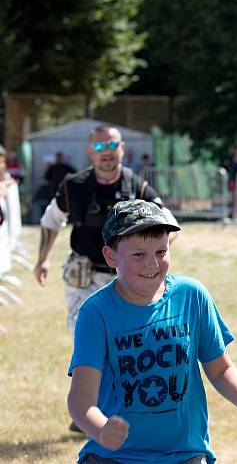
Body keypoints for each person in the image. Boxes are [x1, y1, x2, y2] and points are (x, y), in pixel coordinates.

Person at [67, 200, 237, 463]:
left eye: (161, 251)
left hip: (183, 454)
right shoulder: (96, 313)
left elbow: (221, 370)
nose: (152, 264)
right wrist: (100, 428)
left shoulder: (192, 296)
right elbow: (81, 397)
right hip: (113, 457)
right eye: (138, 255)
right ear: (111, 256)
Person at [34, 124, 171, 345]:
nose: (106, 151)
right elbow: (51, 221)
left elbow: (168, 223)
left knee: (129, 343)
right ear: (90, 150)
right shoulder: (74, 186)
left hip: (127, 277)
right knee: (88, 343)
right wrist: (42, 260)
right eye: (99, 145)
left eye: (112, 144)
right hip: (84, 278)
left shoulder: (137, 187)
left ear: (122, 148)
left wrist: (153, 252)